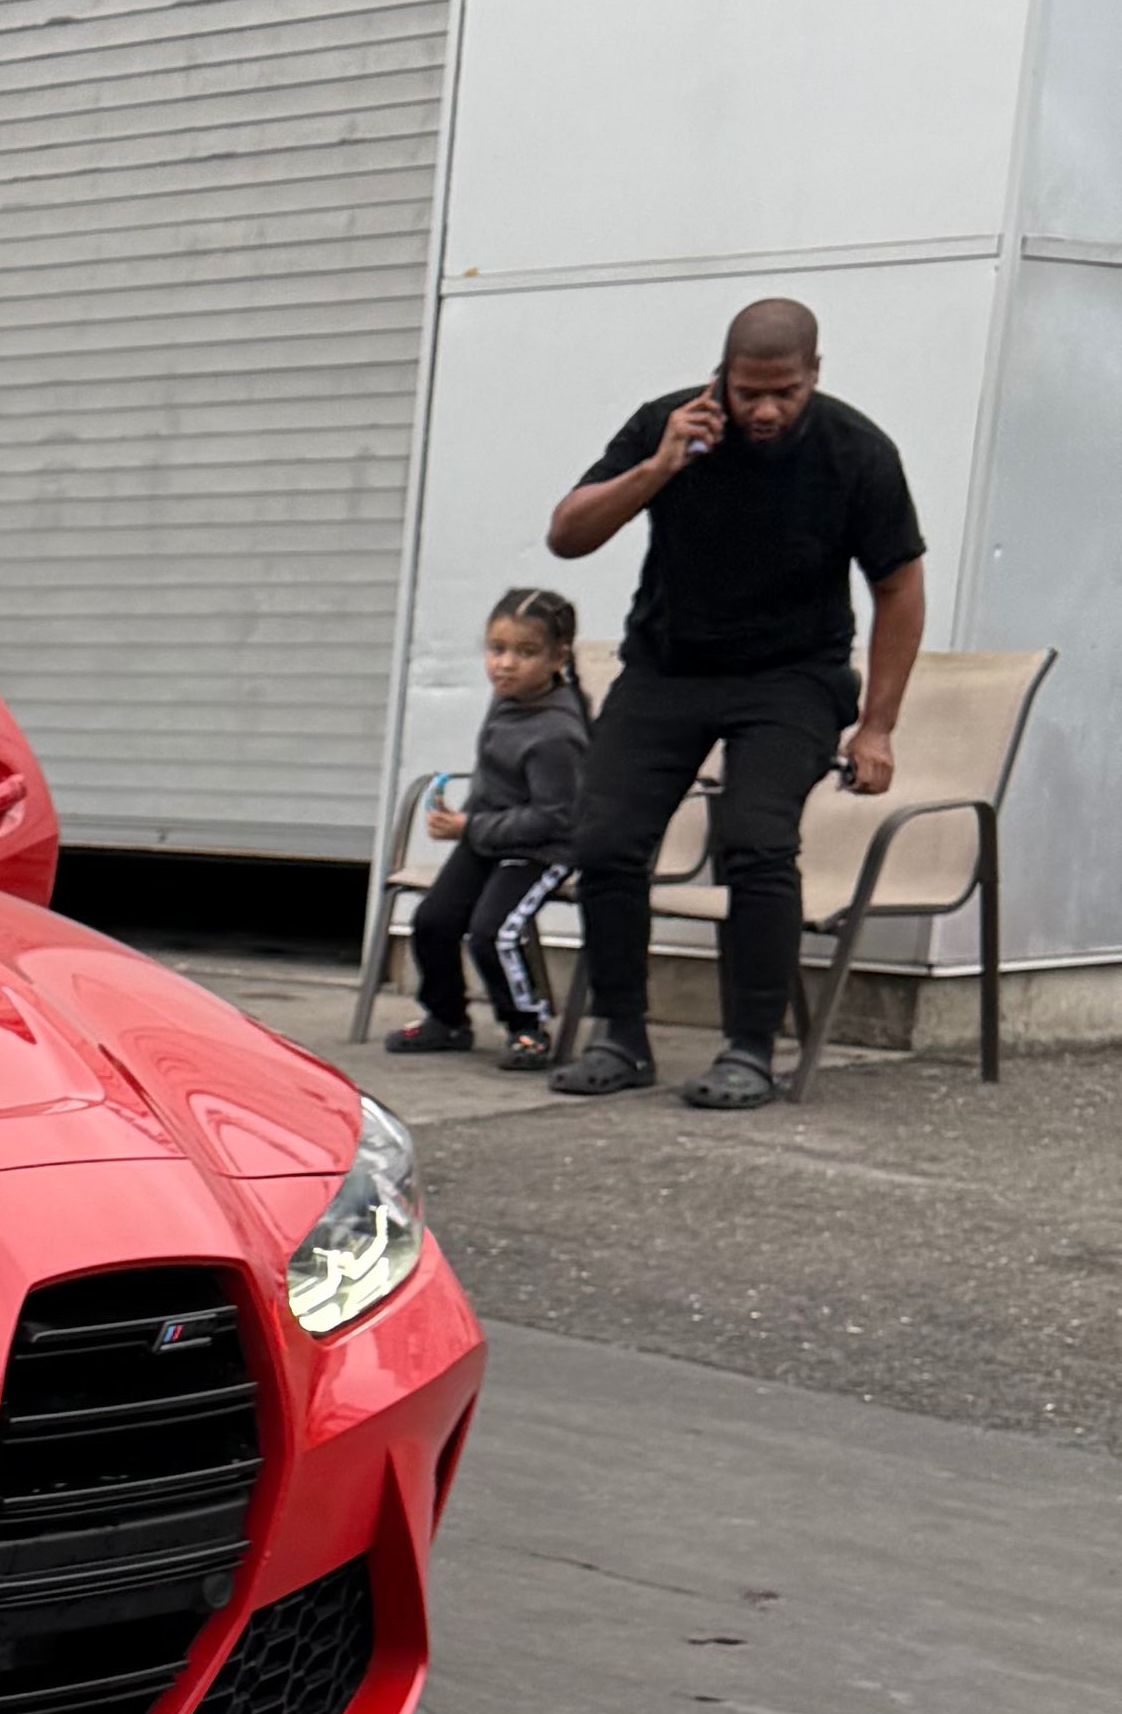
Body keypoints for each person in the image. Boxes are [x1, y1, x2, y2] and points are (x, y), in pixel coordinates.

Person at [541, 295, 925, 1111]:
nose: (764, 408)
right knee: (605, 838)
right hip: (668, 669)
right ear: (721, 374)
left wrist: (878, 725)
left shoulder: (856, 452)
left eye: (784, 391)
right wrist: (658, 469)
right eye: (748, 390)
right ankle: (619, 1036)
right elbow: (567, 536)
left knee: (754, 840)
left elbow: (899, 584)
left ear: (813, 377)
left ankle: (750, 1050)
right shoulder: (667, 427)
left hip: (792, 677)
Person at [393, 589, 585, 1065]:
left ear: (558, 656)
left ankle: (527, 1027)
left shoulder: (558, 733)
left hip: (543, 850)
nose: (504, 665)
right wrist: (467, 821)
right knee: (433, 921)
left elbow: (555, 816)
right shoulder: (508, 701)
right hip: (488, 838)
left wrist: (469, 826)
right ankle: (448, 1020)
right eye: (496, 649)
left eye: (525, 653)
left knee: (492, 933)